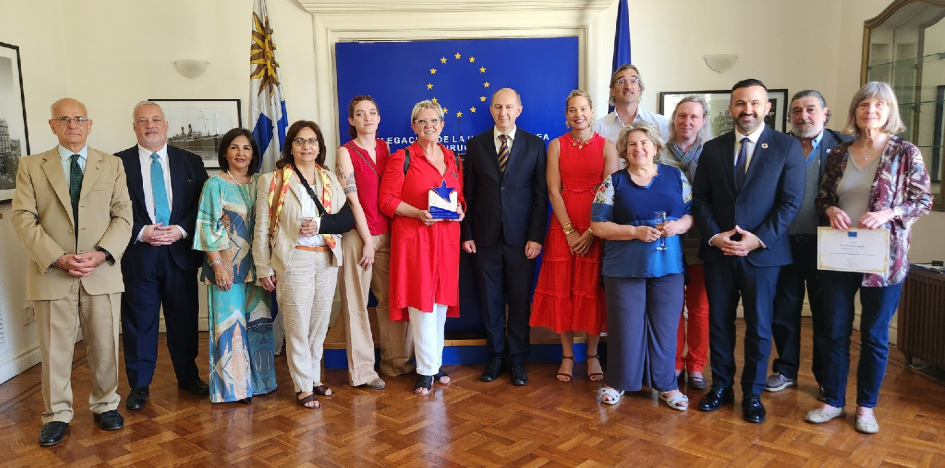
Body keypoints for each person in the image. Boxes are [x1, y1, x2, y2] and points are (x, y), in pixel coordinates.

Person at [805, 81, 932, 434]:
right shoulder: (838, 154)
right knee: (834, 331)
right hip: (840, 255)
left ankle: (865, 407)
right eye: (864, 105)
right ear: (855, 112)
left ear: (889, 111)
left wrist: (889, 214)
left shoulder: (905, 152)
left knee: (874, 335)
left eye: (878, 105)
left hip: (884, 259)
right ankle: (832, 400)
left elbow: (923, 200)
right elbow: (822, 197)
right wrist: (830, 209)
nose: (870, 111)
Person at [12, 98, 132, 446]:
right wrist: (58, 257)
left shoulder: (111, 165)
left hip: (102, 271)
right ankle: (57, 415)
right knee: (55, 350)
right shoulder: (31, 166)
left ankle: (106, 404)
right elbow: (22, 217)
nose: (72, 125)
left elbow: (123, 215)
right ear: (52, 125)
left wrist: (102, 253)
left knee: (106, 346)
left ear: (89, 124)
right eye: (64, 119)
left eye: (79, 119)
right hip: (52, 272)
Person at [691, 79, 806, 423]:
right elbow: (701, 200)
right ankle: (721, 387)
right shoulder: (712, 149)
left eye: (755, 103)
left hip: (764, 255)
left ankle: (753, 394)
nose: (748, 110)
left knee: (759, 326)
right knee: (720, 323)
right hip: (719, 253)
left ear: (768, 107)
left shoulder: (787, 148)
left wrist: (758, 238)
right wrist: (714, 236)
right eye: (740, 103)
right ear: (731, 109)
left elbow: (790, 202)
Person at [115, 101, 210, 410]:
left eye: (155, 119)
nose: (150, 125)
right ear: (134, 127)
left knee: (183, 320)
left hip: (180, 254)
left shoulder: (191, 162)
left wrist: (181, 229)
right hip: (139, 255)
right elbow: (111, 210)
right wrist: (141, 231)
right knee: (139, 322)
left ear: (166, 125)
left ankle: (187, 375)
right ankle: (140, 385)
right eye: (142, 120)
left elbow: (202, 207)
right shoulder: (118, 164)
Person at [591, 122, 692, 409]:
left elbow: (690, 215)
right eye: (632, 144)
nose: (639, 148)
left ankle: (666, 385)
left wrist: (679, 225)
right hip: (624, 267)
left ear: (656, 147)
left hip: (669, 265)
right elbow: (597, 226)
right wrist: (634, 232)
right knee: (625, 327)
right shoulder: (613, 182)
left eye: (645, 143)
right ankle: (617, 383)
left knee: (665, 326)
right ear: (624, 150)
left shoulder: (676, 177)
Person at [254, 120, 354, 409]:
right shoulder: (273, 180)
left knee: (319, 323)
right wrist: (264, 268)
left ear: (320, 147)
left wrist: (321, 225)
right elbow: (262, 228)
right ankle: (302, 385)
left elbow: (344, 218)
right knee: (297, 325)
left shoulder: (330, 179)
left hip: (325, 256)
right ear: (291, 146)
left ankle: (314, 376)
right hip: (294, 258)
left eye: (312, 141)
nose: (306, 146)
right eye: (300, 141)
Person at [766, 91, 851, 396]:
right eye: (797, 110)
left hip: (827, 243)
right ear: (790, 115)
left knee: (826, 313)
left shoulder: (844, 146)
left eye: (811, 109)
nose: (804, 116)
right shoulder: (776, 145)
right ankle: (786, 369)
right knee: (784, 311)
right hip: (784, 242)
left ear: (825, 113)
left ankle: (826, 377)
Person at [462, 88, 548, 386]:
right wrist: (468, 233)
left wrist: (536, 237)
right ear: (491, 110)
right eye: (498, 107)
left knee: (520, 301)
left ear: (519, 110)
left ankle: (518, 359)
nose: (503, 112)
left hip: (522, 239)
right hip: (484, 239)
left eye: (509, 107)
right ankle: (496, 356)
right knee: (490, 301)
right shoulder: (474, 146)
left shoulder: (536, 146)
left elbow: (540, 196)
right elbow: (468, 195)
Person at [378, 100, 465, 396]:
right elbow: (386, 201)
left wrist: (461, 209)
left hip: (447, 241)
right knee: (421, 305)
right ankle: (425, 371)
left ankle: (434, 363)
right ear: (414, 126)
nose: (430, 126)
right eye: (422, 121)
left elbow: (459, 197)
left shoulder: (453, 157)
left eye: (435, 121)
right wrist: (417, 213)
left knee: (439, 305)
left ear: (442, 125)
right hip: (416, 241)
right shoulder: (402, 157)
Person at [531, 90, 619, 383]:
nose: (578, 114)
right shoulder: (555, 145)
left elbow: (610, 194)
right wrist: (570, 231)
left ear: (593, 112)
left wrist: (593, 231)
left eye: (583, 109)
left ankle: (592, 356)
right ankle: (567, 356)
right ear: (565, 115)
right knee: (563, 291)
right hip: (563, 226)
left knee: (592, 292)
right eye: (572, 110)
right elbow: (553, 190)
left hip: (597, 225)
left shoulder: (608, 147)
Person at [335, 95, 414, 391]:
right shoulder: (346, 152)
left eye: (372, 113)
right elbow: (352, 199)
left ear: (379, 118)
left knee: (393, 300)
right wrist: (367, 239)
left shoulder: (386, 148)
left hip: (390, 233)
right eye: (360, 114)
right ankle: (364, 372)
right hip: (359, 236)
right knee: (356, 304)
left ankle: (397, 363)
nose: (367, 118)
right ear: (351, 121)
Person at [192, 128, 276, 404]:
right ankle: (236, 388)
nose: (241, 153)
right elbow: (206, 228)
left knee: (260, 325)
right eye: (235, 148)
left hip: (260, 267)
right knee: (230, 328)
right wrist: (217, 266)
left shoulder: (263, 182)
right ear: (225, 152)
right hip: (226, 268)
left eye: (247, 148)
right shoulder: (214, 185)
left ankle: (261, 383)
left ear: (254, 153)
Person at [662, 96, 711, 390]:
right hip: (668, 240)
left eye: (694, 117)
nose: (687, 122)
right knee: (672, 307)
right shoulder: (658, 153)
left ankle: (696, 364)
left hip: (702, 240)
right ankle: (675, 363)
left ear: (702, 121)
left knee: (700, 307)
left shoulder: (713, 154)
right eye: (682, 116)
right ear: (674, 119)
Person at [592, 64, 670, 168]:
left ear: (640, 88)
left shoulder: (661, 123)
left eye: (633, 81)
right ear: (612, 91)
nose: (628, 87)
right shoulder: (597, 128)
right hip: (611, 183)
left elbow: (668, 163)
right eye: (621, 82)